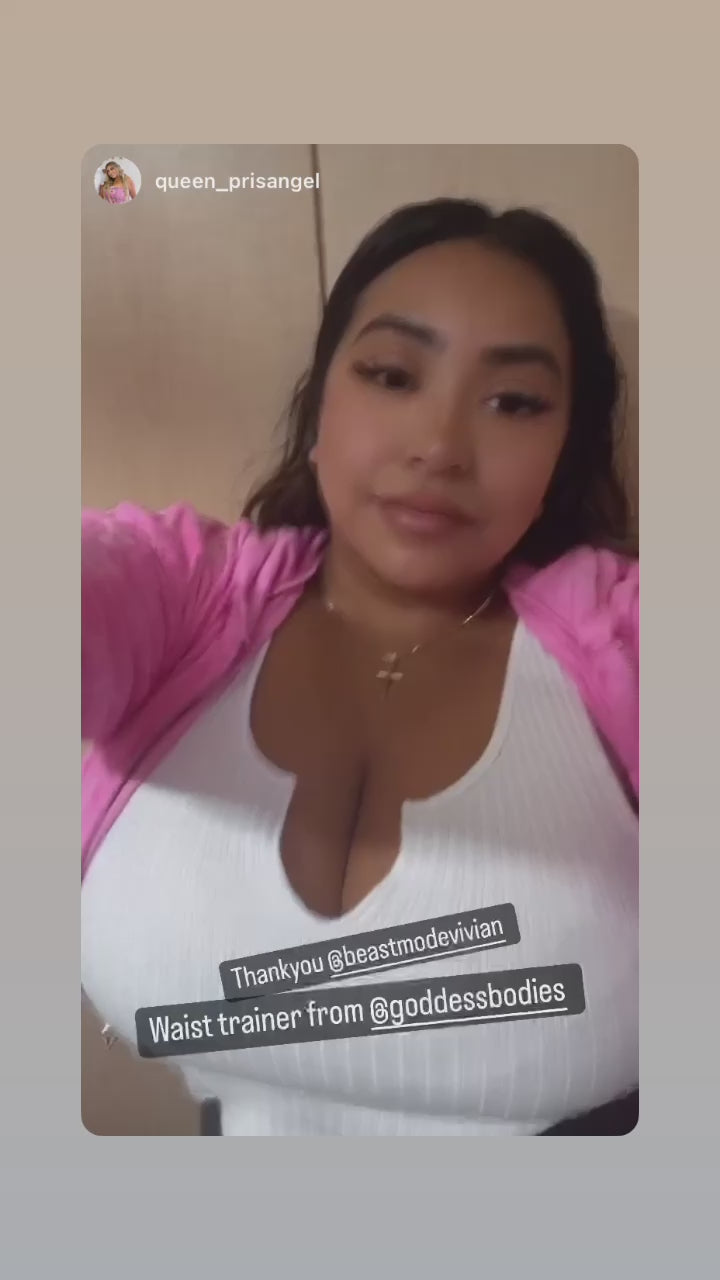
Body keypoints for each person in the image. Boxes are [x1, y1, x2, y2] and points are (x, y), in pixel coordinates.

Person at [81, 197, 639, 1137]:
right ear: (320, 410)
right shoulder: (178, 598)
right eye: (391, 375)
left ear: (562, 454)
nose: (440, 447)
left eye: (514, 402)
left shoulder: (626, 639)